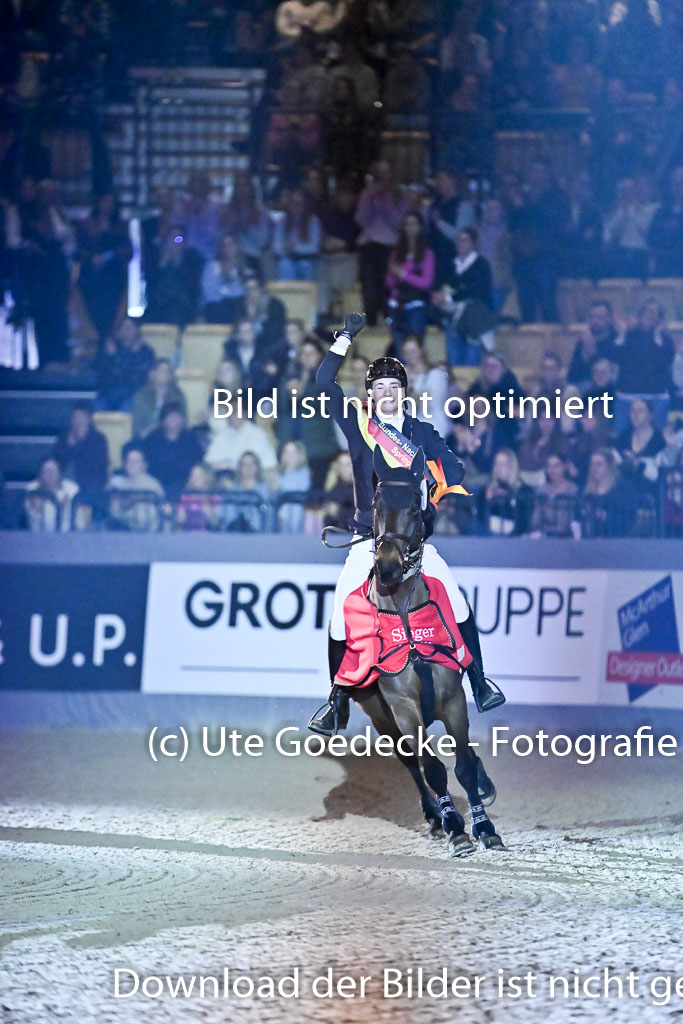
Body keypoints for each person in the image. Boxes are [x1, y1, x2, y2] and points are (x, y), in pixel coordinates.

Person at [308, 313, 505, 736]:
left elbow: (455, 469)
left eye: (393, 387)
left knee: (457, 601)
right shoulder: (359, 426)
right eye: (379, 387)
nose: (386, 393)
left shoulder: (421, 431)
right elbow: (324, 383)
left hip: (412, 545)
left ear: (404, 391)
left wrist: (434, 483)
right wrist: (344, 338)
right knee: (340, 618)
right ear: (370, 393)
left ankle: (478, 682)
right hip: (367, 540)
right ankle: (336, 702)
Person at [354, 161, 411, 326]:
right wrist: (370, 199)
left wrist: (385, 205)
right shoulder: (367, 194)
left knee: (388, 284)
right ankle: (371, 320)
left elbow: (399, 223)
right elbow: (360, 220)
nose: (383, 176)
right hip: (369, 245)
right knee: (369, 285)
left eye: (386, 172)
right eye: (380, 172)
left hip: (390, 246)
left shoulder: (401, 195)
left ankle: (389, 318)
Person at [611, 299, 675, 431]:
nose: (649, 315)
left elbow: (662, 364)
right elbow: (615, 358)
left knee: (657, 435)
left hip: (655, 394)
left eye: (653, 312)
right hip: (627, 393)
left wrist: (657, 337)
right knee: (620, 433)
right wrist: (622, 333)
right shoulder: (629, 335)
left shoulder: (665, 340)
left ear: (659, 318)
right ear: (639, 315)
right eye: (645, 311)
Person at [438, 227, 495, 365]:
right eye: (458, 240)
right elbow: (446, 285)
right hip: (453, 317)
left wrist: (453, 295)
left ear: (473, 244)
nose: (460, 243)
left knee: (472, 357)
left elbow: (478, 291)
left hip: (474, 319)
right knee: (454, 356)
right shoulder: (452, 264)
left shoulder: (481, 264)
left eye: (464, 240)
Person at [385, 211, 435, 353]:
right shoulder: (396, 253)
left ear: (420, 227)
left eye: (414, 224)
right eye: (407, 224)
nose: (410, 228)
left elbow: (426, 282)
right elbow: (388, 282)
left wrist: (403, 274)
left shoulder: (427, 254)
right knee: (399, 349)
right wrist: (396, 276)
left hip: (416, 305)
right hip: (396, 305)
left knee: (414, 348)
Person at [140, 402, 202, 502]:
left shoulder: (191, 440)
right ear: (163, 420)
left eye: (177, 417)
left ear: (183, 419)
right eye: (170, 417)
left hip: (184, 487)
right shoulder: (153, 439)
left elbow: (196, 463)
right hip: (156, 486)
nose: (174, 421)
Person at [52, 402, 109, 503]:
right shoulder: (64, 438)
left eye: (81, 417)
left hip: (91, 488)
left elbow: (97, 466)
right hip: (67, 485)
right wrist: (70, 447)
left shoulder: (98, 439)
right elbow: (58, 463)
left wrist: (80, 444)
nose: (78, 421)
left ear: (89, 419)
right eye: (75, 417)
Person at [476, 449, 534, 536]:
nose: (499, 468)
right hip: (490, 536)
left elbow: (524, 520)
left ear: (512, 466)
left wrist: (507, 499)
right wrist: (488, 501)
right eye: (497, 463)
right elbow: (480, 519)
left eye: (504, 464)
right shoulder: (486, 489)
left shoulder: (524, 491)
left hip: (516, 537)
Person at [108, 446, 165, 531]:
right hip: (122, 533)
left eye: (136, 461)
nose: (131, 464)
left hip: (148, 534)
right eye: (128, 460)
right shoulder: (118, 485)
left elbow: (156, 515)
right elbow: (113, 513)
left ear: (144, 465)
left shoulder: (152, 486)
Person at [567, 300, 619, 392]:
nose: (594, 321)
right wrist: (584, 358)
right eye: (591, 317)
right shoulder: (584, 341)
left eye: (600, 317)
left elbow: (614, 372)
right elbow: (572, 378)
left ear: (609, 319)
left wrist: (593, 355)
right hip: (585, 389)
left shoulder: (616, 340)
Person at [271, 189, 321, 281]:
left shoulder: (313, 221)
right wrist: (284, 248)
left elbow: (314, 247)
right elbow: (276, 247)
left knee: (304, 265)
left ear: (305, 205)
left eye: (300, 203)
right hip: (287, 259)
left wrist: (295, 248)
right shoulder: (282, 221)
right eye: (293, 203)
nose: (296, 206)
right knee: (285, 264)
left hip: (307, 259)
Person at [200, 234, 249, 323]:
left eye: (231, 244)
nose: (228, 248)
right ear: (220, 249)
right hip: (216, 309)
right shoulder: (211, 267)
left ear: (238, 247)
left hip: (237, 309)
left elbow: (245, 292)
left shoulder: (245, 269)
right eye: (225, 245)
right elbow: (208, 293)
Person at [132, 358, 187, 438]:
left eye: (168, 371)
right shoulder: (142, 396)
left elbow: (183, 423)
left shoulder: (178, 396)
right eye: (161, 370)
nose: (165, 374)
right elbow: (137, 426)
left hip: (170, 438)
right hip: (147, 438)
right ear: (153, 373)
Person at [25, 457, 79, 532]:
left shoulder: (71, 490)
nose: (50, 475)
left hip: (66, 536)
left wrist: (64, 506)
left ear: (59, 473)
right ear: (40, 473)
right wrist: (37, 511)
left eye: (53, 471)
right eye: (46, 471)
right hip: (37, 536)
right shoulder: (32, 490)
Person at [530, 453, 578, 538]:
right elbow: (535, 519)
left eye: (557, 466)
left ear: (564, 467)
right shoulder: (541, 490)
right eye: (549, 466)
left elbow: (574, 517)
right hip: (545, 536)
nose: (553, 470)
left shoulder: (573, 490)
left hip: (568, 537)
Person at [176, 464, 220, 532]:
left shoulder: (214, 497)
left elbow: (215, 523)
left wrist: (204, 501)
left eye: (199, 475)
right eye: (193, 475)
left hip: (208, 535)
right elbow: (180, 520)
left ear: (206, 477)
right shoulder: (185, 497)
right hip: (188, 534)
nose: (195, 478)